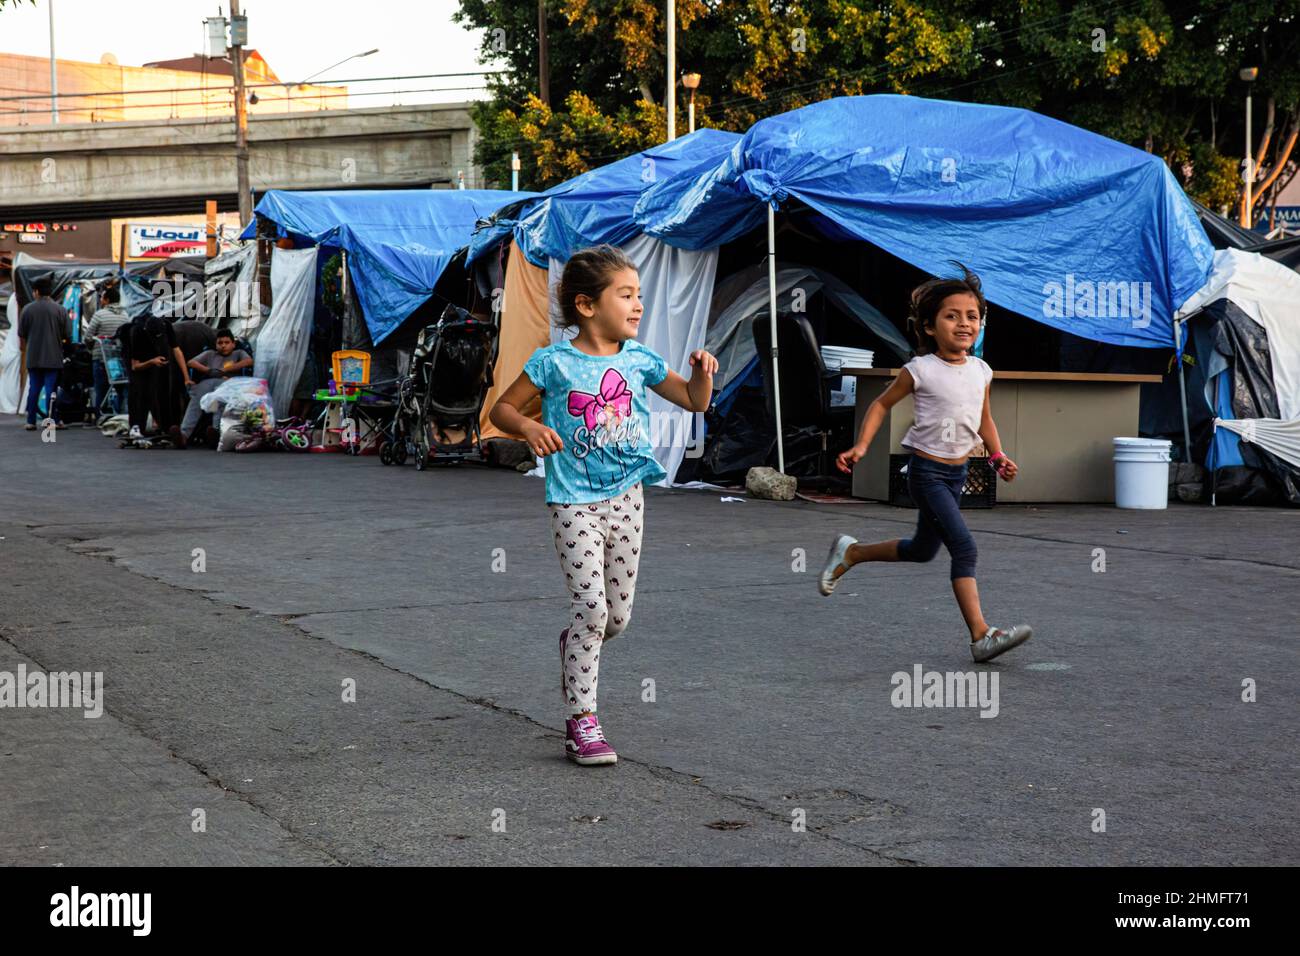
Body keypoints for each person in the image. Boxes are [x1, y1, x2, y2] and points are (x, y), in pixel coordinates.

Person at [489, 244, 717, 766]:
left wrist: (702, 372)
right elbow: (501, 408)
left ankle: (575, 641)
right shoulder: (553, 362)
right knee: (592, 609)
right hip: (573, 502)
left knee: (616, 621)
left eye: (640, 295)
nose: (638, 305)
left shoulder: (640, 360)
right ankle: (582, 723)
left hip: (628, 499)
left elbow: (694, 400)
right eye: (627, 295)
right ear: (588, 306)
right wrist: (528, 427)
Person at [818, 263, 1032, 663]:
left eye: (972, 316)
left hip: (959, 472)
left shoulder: (982, 371)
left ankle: (852, 553)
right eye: (952, 316)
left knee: (921, 550)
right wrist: (862, 446)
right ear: (930, 327)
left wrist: (999, 455)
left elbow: (984, 419)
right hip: (927, 474)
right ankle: (982, 635)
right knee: (964, 549)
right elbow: (881, 404)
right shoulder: (920, 370)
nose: (964, 323)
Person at [178, 329, 253, 446]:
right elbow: (191, 362)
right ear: (216, 344)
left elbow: (249, 361)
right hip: (207, 382)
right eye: (220, 343)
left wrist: (226, 370)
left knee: (218, 401)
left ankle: (216, 433)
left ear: (233, 344)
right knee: (197, 400)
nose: (223, 346)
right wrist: (208, 370)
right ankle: (183, 436)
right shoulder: (210, 354)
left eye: (227, 342)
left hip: (227, 384)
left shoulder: (238, 353)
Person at [18, 277, 71, 431]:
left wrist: (25, 350)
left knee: (34, 388)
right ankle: (52, 420)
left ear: (36, 292)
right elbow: (67, 333)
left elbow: (21, 334)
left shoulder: (27, 309)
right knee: (51, 390)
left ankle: (31, 421)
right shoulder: (60, 310)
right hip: (53, 357)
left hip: (33, 356)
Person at [126, 315, 191, 440]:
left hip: (158, 356)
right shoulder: (137, 332)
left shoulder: (166, 326)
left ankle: (166, 426)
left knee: (164, 388)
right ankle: (136, 426)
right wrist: (151, 362)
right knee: (140, 388)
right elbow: (135, 366)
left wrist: (186, 376)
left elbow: (177, 351)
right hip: (140, 359)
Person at [85, 285, 130, 415]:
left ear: (107, 300)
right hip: (118, 358)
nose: (101, 300)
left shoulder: (99, 315)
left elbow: (88, 336)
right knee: (120, 387)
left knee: (100, 388)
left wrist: (90, 348)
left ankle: (100, 414)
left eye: (102, 298)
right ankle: (120, 413)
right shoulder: (125, 315)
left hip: (100, 357)